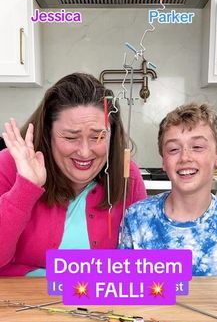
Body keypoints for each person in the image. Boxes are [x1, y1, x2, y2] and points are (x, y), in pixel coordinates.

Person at [0, 72, 147, 276]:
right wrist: (25, 187)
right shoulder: (10, 164)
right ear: (47, 133)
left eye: (98, 136)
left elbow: (141, 266)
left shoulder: (127, 175)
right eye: (71, 137)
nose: (85, 152)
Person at [119, 102, 217, 276]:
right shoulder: (136, 218)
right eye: (173, 149)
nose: (185, 157)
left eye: (197, 147)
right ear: (163, 161)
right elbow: (124, 287)